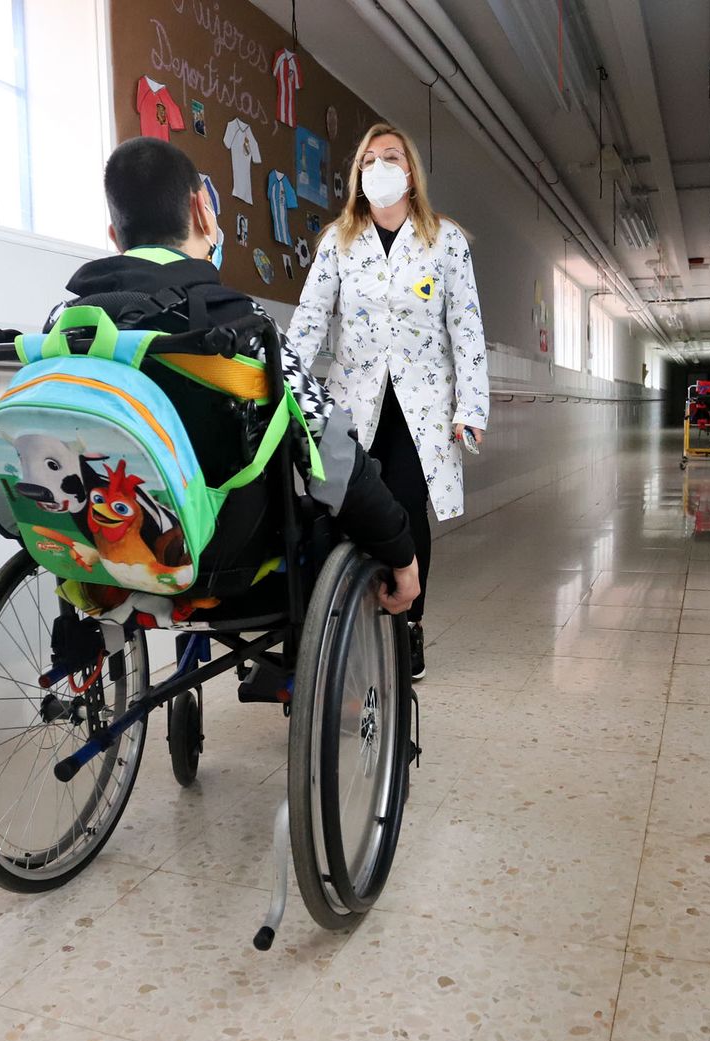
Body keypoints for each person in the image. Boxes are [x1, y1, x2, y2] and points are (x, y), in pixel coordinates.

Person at [26, 137, 422, 615]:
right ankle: (343, 691)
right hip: (223, 556)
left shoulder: (67, 325)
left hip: (92, 546)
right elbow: (327, 448)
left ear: (115, 235)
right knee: (333, 513)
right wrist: (400, 549)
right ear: (202, 210)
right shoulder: (242, 322)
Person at [289, 123, 489, 680]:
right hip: (353, 398)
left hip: (421, 404)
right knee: (342, 509)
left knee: (404, 513)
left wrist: (471, 407)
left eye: (391, 156)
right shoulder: (338, 241)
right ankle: (347, 624)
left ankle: (408, 626)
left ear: (410, 170)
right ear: (357, 175)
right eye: (368, 158)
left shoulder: (444, 239)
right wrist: (281, 384)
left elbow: (466, 327)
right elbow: (309, 319)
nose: (379, 165)